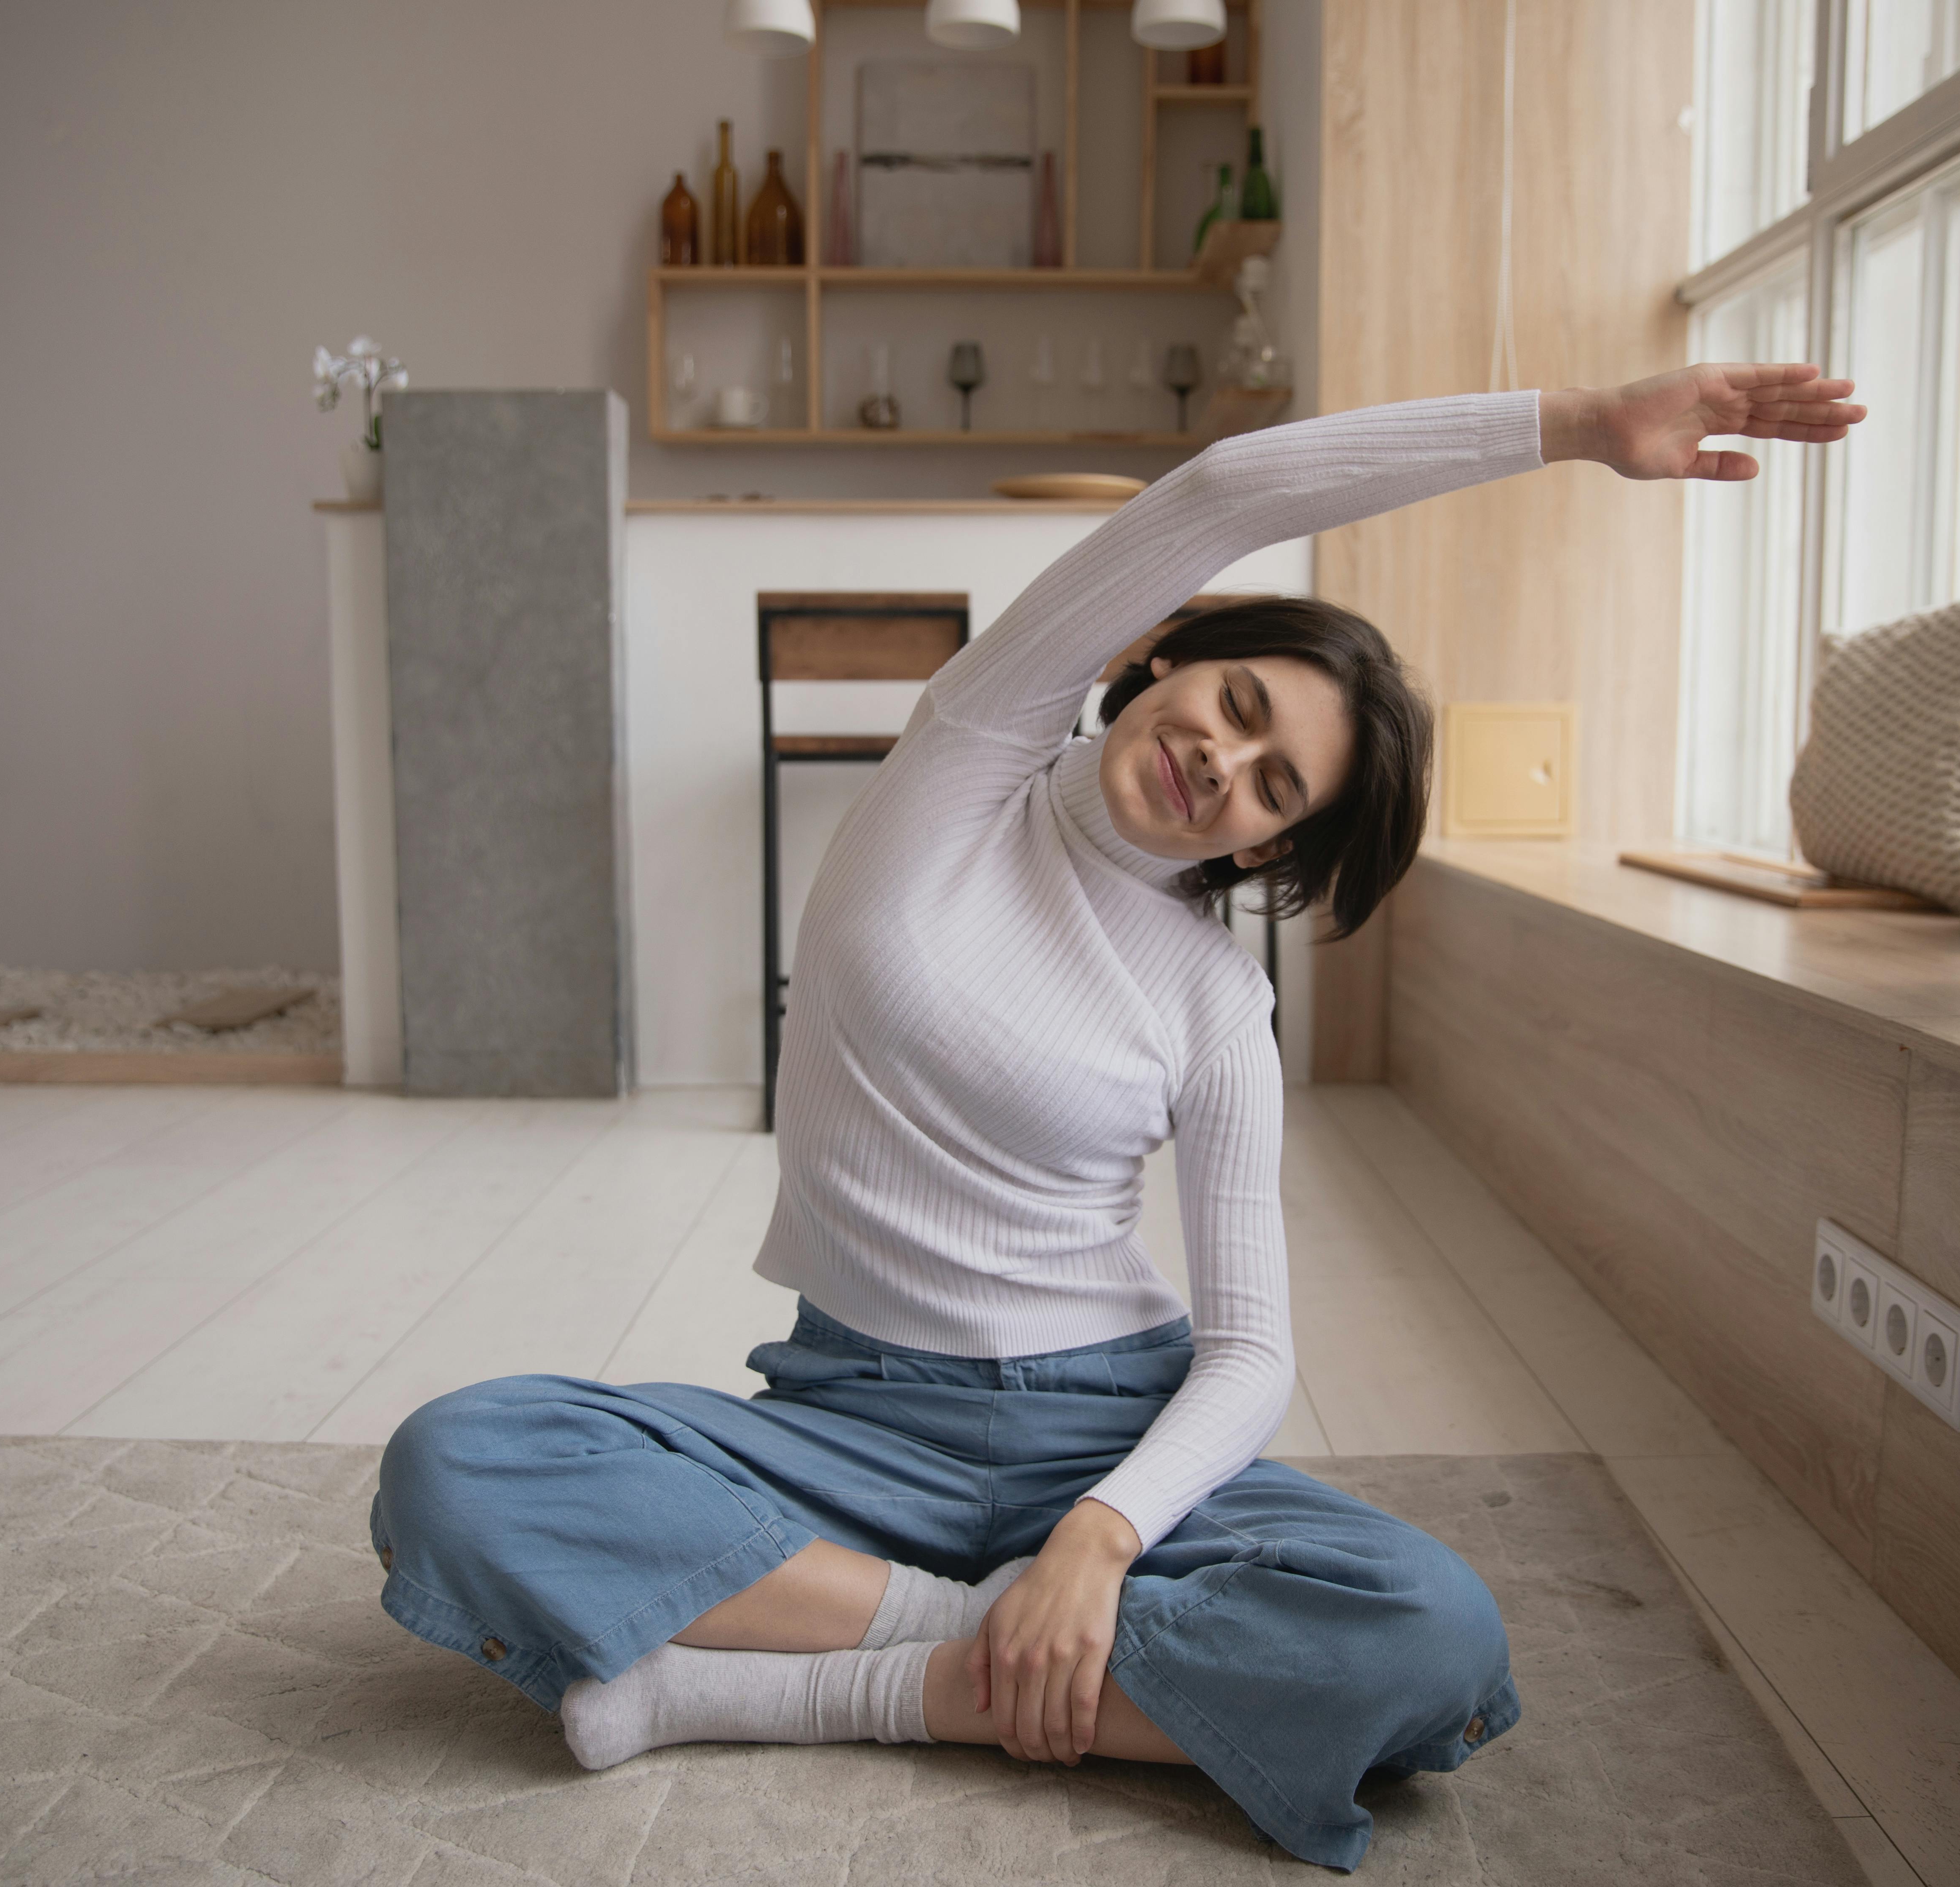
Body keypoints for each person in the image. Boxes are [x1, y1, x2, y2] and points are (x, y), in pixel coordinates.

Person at [370, 365, 1864, 1871]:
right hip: (851, 1427)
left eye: (1274, 783)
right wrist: (1582, 425)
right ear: (1162, 657)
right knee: (462, 1463)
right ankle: (988, 1650)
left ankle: (818, 1681)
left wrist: (1105, 1536)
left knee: (1432, 1640)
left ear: (1274, 843)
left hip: (1107, 1426)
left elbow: (1252, 1349)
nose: (1222, 760)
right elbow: (1226, 493)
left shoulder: (1217, 1006)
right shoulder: (957, 773)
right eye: (1235, 704)